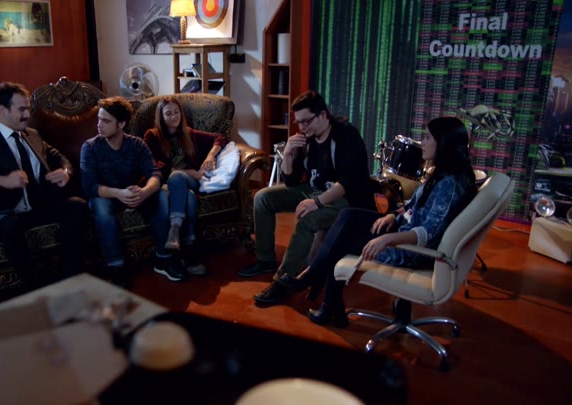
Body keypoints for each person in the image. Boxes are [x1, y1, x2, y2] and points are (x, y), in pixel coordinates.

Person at [299, 116, 477, 327]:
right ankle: (320, 287)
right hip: (405, 232)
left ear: (444, 142)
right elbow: (413, 207)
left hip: (413, 250)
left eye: (428, 137)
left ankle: (323, 295)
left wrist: (387, 239)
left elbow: (430, 232)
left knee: (341, 238)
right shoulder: (444, 174)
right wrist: (393, 216)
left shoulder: (449, 184)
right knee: (348, 216)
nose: (423, 142)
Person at [0, 81, 89, 300]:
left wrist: (65, 171)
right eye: (21, 109)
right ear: (3, 110)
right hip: (5, 209)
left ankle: (69, 279)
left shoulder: (32, 134)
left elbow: (58, 156)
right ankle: (34, 288)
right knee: (8, 223)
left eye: (28, 108)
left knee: (77, 206)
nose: (27, 114)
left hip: (40, 204)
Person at [239, 90, 375, 306]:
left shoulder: (346, 136)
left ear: (323, 115)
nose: (302, 127)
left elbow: (347, 183)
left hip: (346, 200)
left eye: (306, 121)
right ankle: (265, 259)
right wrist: (288, 154)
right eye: (298, 122)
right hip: (313, 190)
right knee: (263, 198)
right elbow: (292, 181)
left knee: (307, 220)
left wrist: (317, 202)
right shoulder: (307, 139)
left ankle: (283, 281)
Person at [80, 96, 185, 283]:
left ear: (121, 124)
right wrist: (118, 193)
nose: (99, 125)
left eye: (106, 121)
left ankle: (164, 258)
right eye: (99, 120)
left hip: (135, 193)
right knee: (101, 207)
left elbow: (155, 173)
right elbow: (89, 186)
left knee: (161, 196)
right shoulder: (90, 147)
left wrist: (144, 192)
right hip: (108, 195)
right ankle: (116, 265)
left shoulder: (136, 144)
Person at [143, 97, 227, 276]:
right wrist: (186, 171)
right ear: (161, 116)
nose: (174, 116)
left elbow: (220, 138)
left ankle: (174, 230)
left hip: (189, 180)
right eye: (168, 113)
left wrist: (211, 155)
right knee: (188, 196)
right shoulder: (152, 135)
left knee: (178, 178)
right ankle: (189, 248)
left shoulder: (188, 133)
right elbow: (154, 164)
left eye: (176, 112)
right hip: (166, 182)